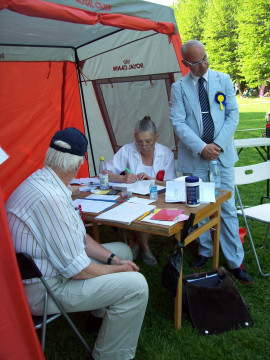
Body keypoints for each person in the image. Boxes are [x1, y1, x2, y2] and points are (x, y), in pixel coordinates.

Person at [5, 127, 148, 360]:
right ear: (79, 162)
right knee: (136, 285)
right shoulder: (51, 198)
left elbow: (79, 237)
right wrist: (117, 269)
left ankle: (98, 317)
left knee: (122, 251)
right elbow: (79, 270)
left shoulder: (43, 182)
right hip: (44, 290)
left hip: (39, 276)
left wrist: (114, 260)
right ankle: (109, 356)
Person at [170, 39, 253, 284]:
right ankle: (205, 250)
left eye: (205, 58)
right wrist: (201, 147)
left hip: (222, 155)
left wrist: (217, 145)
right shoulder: (179, 88)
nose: (203, 65)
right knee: (199, 207)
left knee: (227, 209)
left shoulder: (223, 80)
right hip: (195, 157)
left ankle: (235, 261)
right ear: (186, 63)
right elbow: (179, 122)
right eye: (196, 62)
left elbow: (232, 114)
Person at [107, 116, 176, 266]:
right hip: (132, 199)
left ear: (156, 137)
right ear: (135, 137)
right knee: (139, 208)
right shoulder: (127, 150)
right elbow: (104, 173)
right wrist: (123, 179)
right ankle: (144, 246)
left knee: (148, 209)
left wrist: (152, 180)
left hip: (159, 199)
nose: (144, 146)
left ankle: (135, 240)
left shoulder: (166, 154)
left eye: (148, 141)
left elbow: (171, 183)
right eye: (139, 141)